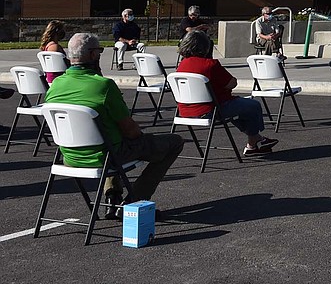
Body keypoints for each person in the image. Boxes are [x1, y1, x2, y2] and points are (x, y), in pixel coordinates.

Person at [44, 33, 185, 214]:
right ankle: (134, 202)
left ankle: (112, 195)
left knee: (110, 135)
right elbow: (131, 131)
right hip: (106, 155)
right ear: (94, 55)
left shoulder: (55, 85)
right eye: (100, 51)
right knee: (174, 142)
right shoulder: (103, 86)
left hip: (70, 156)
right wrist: (142, 140)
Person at [176, 30, 279, 156]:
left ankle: (257, 139)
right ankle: (253, 143)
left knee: (239, 108)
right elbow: (232, 83)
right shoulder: (210, 64)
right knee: (253, 106)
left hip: (185, 111)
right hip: (210, 110)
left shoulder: (182, 65)